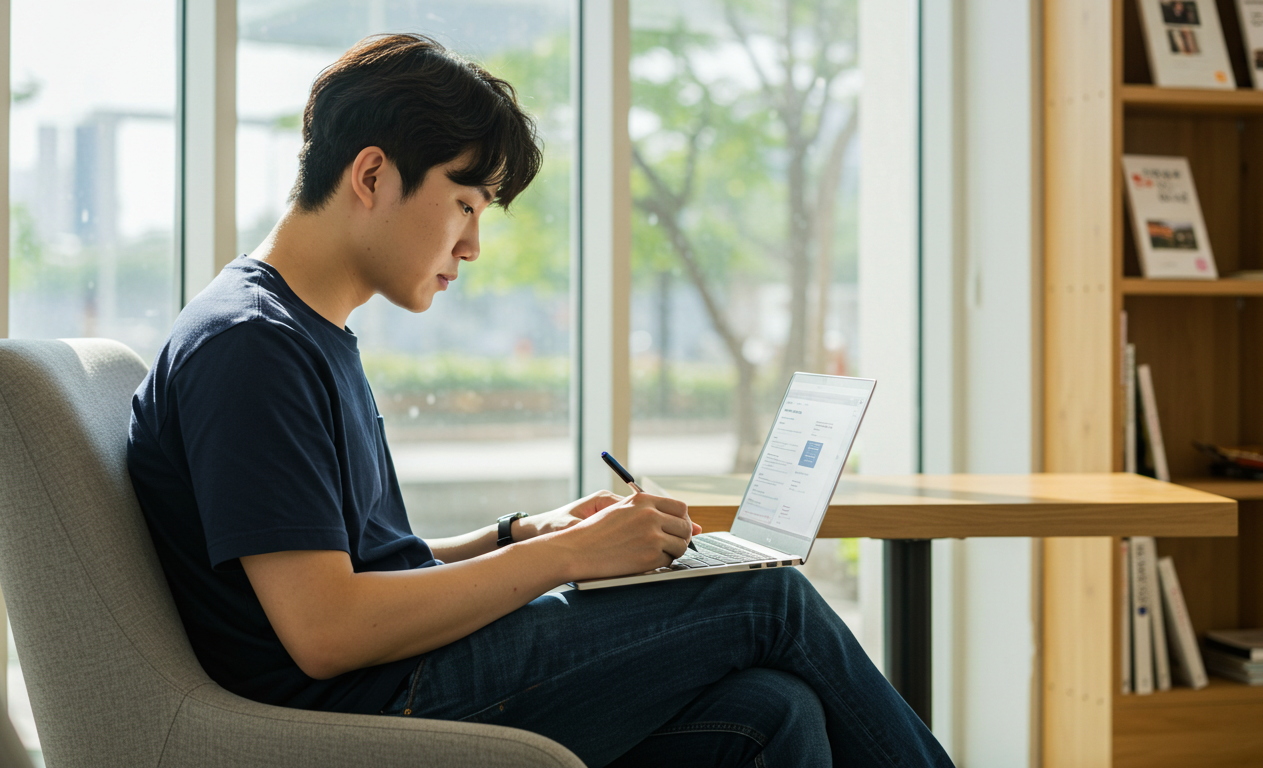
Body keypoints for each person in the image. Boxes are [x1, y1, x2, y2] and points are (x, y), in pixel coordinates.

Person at [126, 33, 953, 768]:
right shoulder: (248, 347)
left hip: (394, 681)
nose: (473, 246)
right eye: (464, 204)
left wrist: (523, 533)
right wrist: (564, 560)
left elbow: (372, 566)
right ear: (372, 174)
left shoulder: (299, 331)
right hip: (363, 714)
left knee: (773, 712)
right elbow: (328, 628)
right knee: (766, 597)